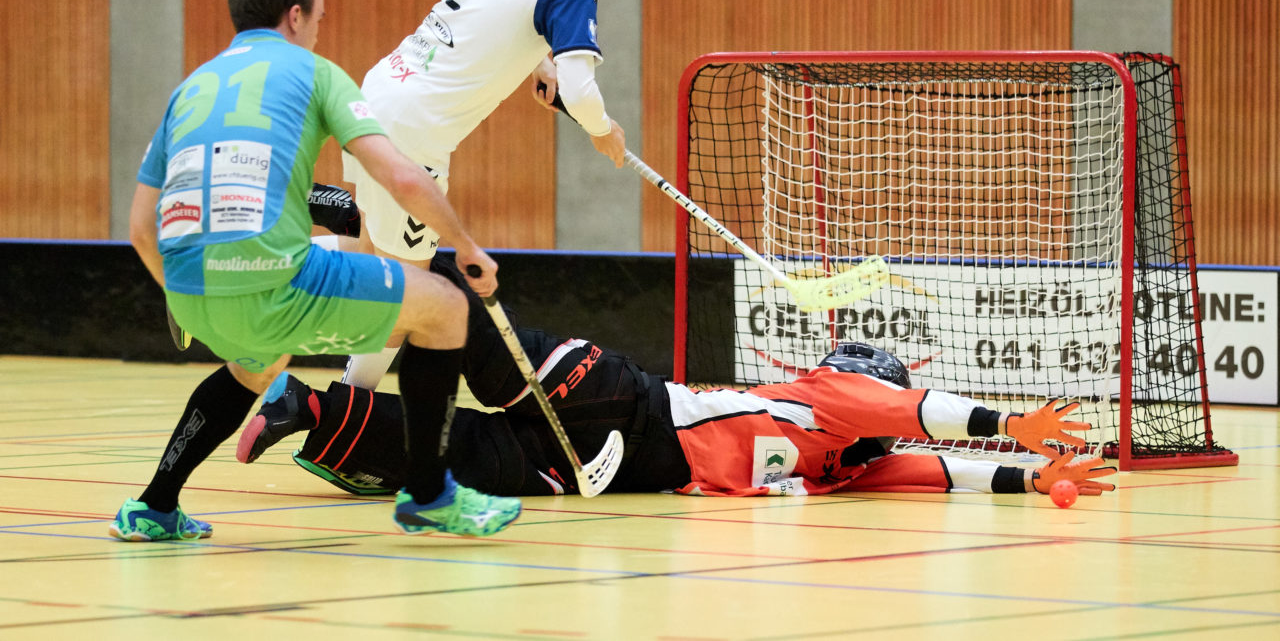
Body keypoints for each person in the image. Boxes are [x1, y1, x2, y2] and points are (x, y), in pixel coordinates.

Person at [111, 0, 520, 542]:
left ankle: (154, 506)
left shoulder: (191, 88)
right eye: (321, 17)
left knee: (256, 363)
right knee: (445, 306)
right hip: (276, 284)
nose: (320, 30)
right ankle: (429, 496)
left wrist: (183, 294)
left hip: (193, 291)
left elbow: (141, 229)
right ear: (296, 17)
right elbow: (400, 177)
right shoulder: (315, 73)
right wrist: (464, 245)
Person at [240, 257, 1118, 501]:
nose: (886, 430)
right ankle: (409, 272)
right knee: (484, 348)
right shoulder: (829, 398)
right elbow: (925, 413)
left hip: (621, 471)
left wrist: (1031, 474)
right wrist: (1010, 418)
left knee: (460, 456)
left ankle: (303, 406)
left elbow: (938, 466)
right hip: (625, 400)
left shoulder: (843, 464)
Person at [338, 0, 634, 390]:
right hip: (413, 131)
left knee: (366, 254)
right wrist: (602, 131)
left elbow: (484, 16)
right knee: (408, 293)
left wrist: (536, 60)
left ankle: (222, 268)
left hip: (377, 91)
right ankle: (342, 414)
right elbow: (582, 91)